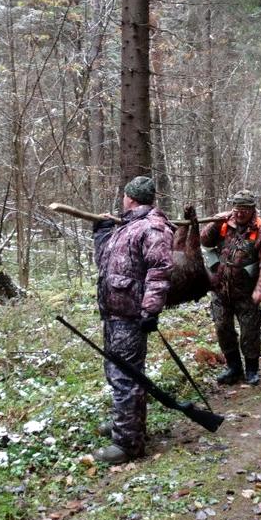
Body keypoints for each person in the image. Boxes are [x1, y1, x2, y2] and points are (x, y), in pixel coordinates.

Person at [91, 175, 174, 464]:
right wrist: (101, 234)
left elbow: (160, 270)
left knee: (127, 376)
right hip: (114, 314)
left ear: (131, 197)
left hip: (132, 316)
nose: (123, 199)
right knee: (116, 374)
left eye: (125, 195)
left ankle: (128, 444)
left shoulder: (153, 228)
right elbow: (106, 264)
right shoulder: (125, 227)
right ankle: (126, 425)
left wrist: (150, 310)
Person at [200, 189, 261, 386]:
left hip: (246, 293)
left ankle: (252, 370)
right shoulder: (224, 223)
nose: (239, 214)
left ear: (252, 210)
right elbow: (204, 241)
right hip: (221, 290)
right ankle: (233, 368)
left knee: (250, 331)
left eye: (244, 210)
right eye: (236, 209)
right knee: (223, 328)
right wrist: (214, 223)